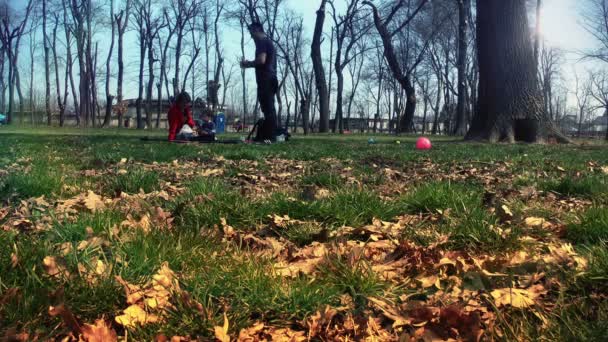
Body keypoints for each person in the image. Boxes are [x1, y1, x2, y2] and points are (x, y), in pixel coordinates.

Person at [240, 22, 278, 142]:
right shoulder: (268, 42)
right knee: (269, 108)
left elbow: (261, 60)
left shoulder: (262, 42)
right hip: (271, 78)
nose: (251, 35)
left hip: (266, 79)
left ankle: (269, 137)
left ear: (257, 30)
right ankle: (269, 136)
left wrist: (248, 64)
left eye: (251, 32)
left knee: (268, 108)